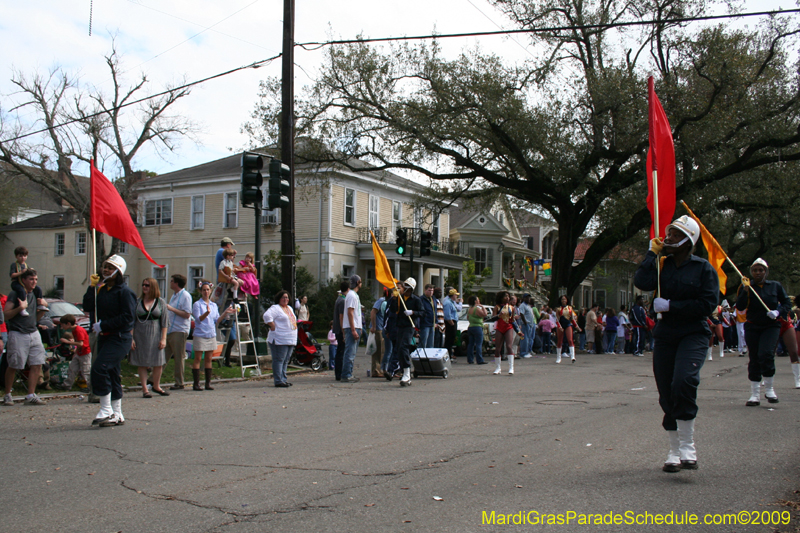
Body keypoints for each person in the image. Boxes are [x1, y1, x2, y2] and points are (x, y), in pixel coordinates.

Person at [634, 215, 718, 473]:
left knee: (684, 381)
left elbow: (708, 304)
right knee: (666, 390)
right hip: (666, 333)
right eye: (668, 234)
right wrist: (651, 255)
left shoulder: (704, 269)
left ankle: (687, 445)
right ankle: (673, 449)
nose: (667, 238)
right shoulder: (661, 265)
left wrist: (672, 305)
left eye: (673, 235)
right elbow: (642, 282)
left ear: (687, 241)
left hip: (693, 332)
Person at [83, 255, 136, 426]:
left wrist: (104, 325)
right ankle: (117, 413)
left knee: (100, 368)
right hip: (105, 337)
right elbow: (88, 306)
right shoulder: (102, 289)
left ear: (118, 272)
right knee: (113, 374)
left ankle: (105, 410)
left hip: (119, 337)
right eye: (105, 267)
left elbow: (128, 317)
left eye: (110, 268)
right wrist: (92, 287)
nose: (105, 270)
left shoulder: (126, 292)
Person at [736, 258, 791, 406]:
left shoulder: (775, 286)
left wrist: (778, 312)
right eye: (755, 270)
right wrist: (745, 291)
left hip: (771, 326)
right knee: (754, 357)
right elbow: (740, 307)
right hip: (753, 326)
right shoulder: (746, 286)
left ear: (766, 272)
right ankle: (755, 394)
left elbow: (787, 303)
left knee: (766, 354)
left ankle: (769, 389)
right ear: (751, 272)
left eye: (761, 270)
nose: (758, 273)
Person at [3, 269, 48, 406]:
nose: (34, 282)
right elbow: (6, 315)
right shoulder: (16, 294)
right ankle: (7, 394)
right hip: (18, 333)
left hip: (33, 332)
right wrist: (20, 308)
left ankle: (30, 395)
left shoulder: (35, 293)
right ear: (23, 280)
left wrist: (43, 310)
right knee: (15, 364)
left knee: (37, 363)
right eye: (31, 279)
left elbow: (35, 317)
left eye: (35, 279)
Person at [192, 281, 235, 391]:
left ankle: (208, 383)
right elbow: (198, 319)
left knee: (209, 358)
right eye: (204, 290)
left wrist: (225, 313)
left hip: (210, 334)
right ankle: (196, 383)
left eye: (207, 290)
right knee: (198, 358)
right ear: (201, 291)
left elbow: (217, 320)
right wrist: (206, 313)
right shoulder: (197, 304)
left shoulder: (213, 305)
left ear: (211, 291)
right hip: (200, 334)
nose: (206, 292)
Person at [130, 278, 168, 398]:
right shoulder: (137, 302)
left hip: (156, 334)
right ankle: (145, 388)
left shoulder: (160, 302)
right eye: (143, 285)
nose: (144, 287)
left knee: (158, 362)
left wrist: (163, 338)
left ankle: (156, 385)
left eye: (147, 285)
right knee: (141, 362)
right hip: (140, 335)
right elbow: (132, 321)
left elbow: (165, 322)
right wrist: (131, 338)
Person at [387, 278, 422, 386]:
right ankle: (404, 372)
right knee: (399, 349)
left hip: (409, 326)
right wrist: (394, 298)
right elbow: (393, 309)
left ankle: (407, 372)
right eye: (405, 285)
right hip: (400, 326)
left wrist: (413, 312)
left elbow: (423, 313)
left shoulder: (416, 300)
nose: (405, 288)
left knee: (403, 347)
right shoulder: (399, 298)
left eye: (408, 286)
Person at [263, 290, 299, 388]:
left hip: (290, 338)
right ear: (279, 298)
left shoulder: (290, 308)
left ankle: (283, 378)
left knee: (286, 360)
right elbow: (266, 316)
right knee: (279, 359)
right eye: (283, 297)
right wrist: (272, 325)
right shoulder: (276, 308)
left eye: (287, 297)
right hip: (280, 338)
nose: (285, 299)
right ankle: (278, 380)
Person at [164, 274, 192, 387]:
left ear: (176, 283)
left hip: (180, 330)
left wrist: (171, 309)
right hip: (170, 329)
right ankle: (152, 379)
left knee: (178, 357)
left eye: (171, 281)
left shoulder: (185, 296)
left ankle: (179, 382)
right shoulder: (174, 296)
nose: (170, 283)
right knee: (163, 356)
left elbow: (187, 314)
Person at [54, 314, 91, 391]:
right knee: (72, 369)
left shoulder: (79, 330)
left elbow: (81, 343)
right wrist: (76, 353)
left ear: (68, 323)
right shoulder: (74, 330)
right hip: (79, 353)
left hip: (85, 353)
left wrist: (68, 342)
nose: (62, 327)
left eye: (62, 325)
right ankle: (66, 385)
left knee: (86, 371)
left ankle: (91, 387)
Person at [9, 246, 46, 318]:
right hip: (16, 283)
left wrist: (31, 270)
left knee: (38, 288)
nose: (23, 258)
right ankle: (22, 307)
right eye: (20, 256)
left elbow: (29, 272)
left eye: (25, 256)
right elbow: (12, 275)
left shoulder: (25, 265)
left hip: (24, 283)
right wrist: (21, 272)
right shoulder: (14, 264)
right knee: (21, 290)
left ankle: (40, 304)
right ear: (16, 256)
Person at [339, 275, 363, 383]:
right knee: (350, 352)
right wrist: (353, 329)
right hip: (352, 327)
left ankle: (349, 373)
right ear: (358, 282)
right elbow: (350, 312)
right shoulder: (352, 296)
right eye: (361, 282)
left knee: (351, 352)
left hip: (353, 326)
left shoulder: (352, 295)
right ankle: (346, 374)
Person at [493, 291, 522, 375]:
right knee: (498, 348)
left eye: (508, 296)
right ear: (501, 298)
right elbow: (493, 318)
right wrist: (498, 316)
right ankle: (498, 367)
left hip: (508, 327)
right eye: (505, 296)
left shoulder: (511, 308)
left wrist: (518, 331)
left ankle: (511, 367)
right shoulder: (497, 307)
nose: (507, 298)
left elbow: (513, 320)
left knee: (509, 346)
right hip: (499, 327)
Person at [555, 296, 581, 363]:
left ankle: (573, 356)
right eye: (562, 299)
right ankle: (558, 357)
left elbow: (572, 319)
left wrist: (577, 326)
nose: (563, 300)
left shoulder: (570, 308)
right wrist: (559, 326)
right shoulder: (558, 309)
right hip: (561, 324)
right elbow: (557, 319)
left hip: (568, 324)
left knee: (570, 339)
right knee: (560, 341)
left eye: (565, 299)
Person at [369, 288, 388, 378]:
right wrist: (373, 326)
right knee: (378, 350)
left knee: (382, 350)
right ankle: (376, 370)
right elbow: (373, 312)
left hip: (383, 328)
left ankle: (380, 369)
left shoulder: (387, 301)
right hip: (378, 328)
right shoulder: (381, 300)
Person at [332, 281, 349, 381]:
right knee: (341, 352)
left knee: (340, 351)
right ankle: (339, 373)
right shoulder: (342, 301)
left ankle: (339, 372)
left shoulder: (339, 299)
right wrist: (344, 332)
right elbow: (341, 317)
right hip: (340, 329)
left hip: (337, 328)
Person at [465, 295, 487, 364]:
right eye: (478, 300)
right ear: (475, 301)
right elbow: (485, 314)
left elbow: (468, 317)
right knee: (478, 344)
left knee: (470, 344)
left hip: (471, 326)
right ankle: (479, 359)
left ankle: (470, 359)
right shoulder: (476, 309)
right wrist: (483, 307)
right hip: (478, 327)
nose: (479, 301)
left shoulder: (469, 309)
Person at [443, 288, 461, 362]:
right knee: (449, 340)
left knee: (451, 340)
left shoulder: (452, 302)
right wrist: (452, 323)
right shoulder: (448, 303)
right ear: (452, 295)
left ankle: (450, 355)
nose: (456, 296)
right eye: (455, 295)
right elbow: (447, 315)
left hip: (453, 321)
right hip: (450, 322)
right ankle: (448, 356)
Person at [418, 284, 437, 349]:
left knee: (430, 344)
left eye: (432, 290)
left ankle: (429, 357)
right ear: (425, 290)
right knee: (423, 343)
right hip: (424, 324)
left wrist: (436, 321)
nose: (431, 292)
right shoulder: (421, 299)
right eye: (429, 290)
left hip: (432, 324)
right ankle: (421, 357)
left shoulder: (433, 299)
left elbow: (435, 311)